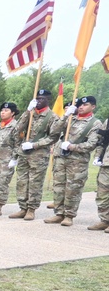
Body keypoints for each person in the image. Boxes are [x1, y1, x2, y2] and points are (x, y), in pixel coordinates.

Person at [45, 96, 101, 227]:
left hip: (77, 161)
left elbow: (91, 144)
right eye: (79, 105)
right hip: (61, 157)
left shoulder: (95, 123)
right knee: (59, 187)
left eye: (85, 105)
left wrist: (72, 146)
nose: (81, 107)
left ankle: (69, 215)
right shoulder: (71, 118)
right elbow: (54, 130)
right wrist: (66, 115)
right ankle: (59, 213)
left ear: (93, 107)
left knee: (73, 189)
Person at [9, 89, 58, 220]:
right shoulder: (30, 114)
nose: (38, 101)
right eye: (37, 98)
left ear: (48, 100)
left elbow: (53, 137)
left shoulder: (52, 117)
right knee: (22, 181)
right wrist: (27, 111)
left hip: (39, 155)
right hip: (24, 154)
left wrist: (34, 145)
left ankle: (31, 209)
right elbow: (17, 129)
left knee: (35, 183)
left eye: (42, 98)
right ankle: (22, 208)